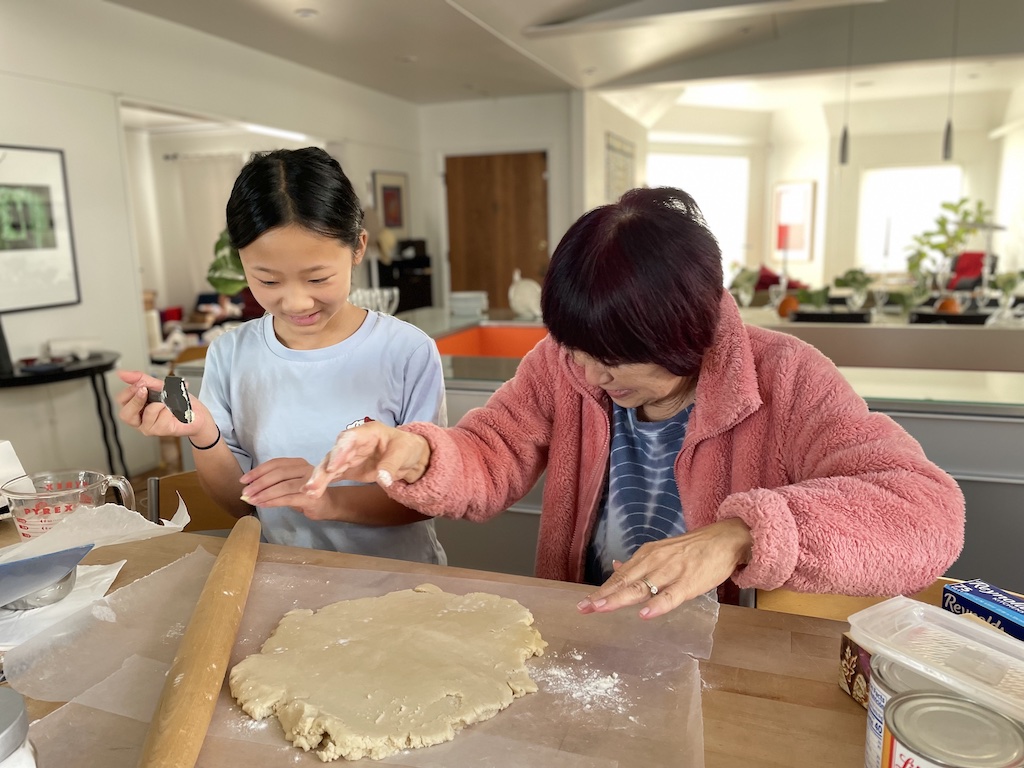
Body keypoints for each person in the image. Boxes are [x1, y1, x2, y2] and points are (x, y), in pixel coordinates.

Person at [303, 187, 965, 619]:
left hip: (721, 657)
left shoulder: (786, 379)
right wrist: (416, 451)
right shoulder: (565, 366)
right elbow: (491, 450)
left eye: (613, 359)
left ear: (689, 331)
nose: (587, 374)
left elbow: (929, 513)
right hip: (586, 639)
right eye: (573, 347)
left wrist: (742, 535)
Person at [117, 147, 447, 564]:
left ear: (358, 247)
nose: (295, 302)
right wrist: (202, 431)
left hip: (396, 583)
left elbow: (426, 497)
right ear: (242, 261)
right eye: (268, 280)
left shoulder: (406, 351)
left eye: (318, 277)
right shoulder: (231, 353)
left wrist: (328, 501)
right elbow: (242, 507)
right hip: (286, 579)